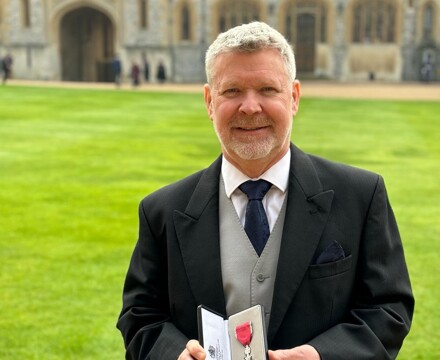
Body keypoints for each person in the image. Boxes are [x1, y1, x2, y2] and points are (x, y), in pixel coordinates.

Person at [117, 22, 414, 360]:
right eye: (231, 91)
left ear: (294, 97)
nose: (250, 107)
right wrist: (174, 355)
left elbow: (389, 307)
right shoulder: (162, 210)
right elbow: (140, 317)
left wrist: (322, 356)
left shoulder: (360, 196)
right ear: (209, 101)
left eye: (267, 89)